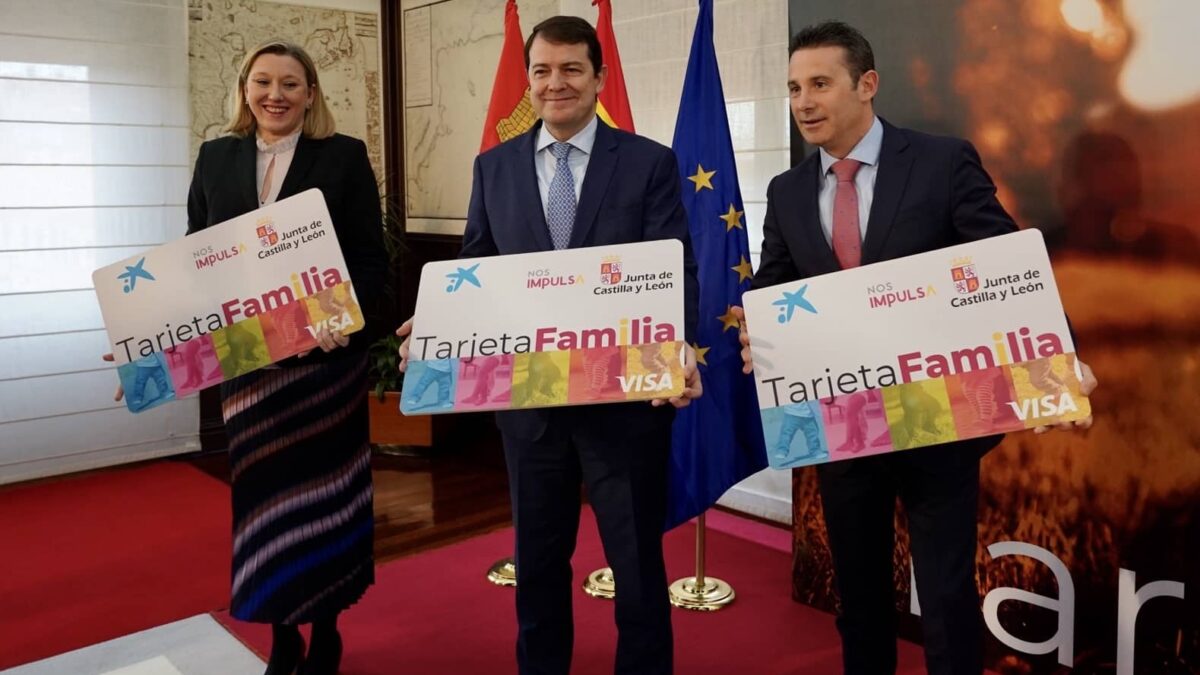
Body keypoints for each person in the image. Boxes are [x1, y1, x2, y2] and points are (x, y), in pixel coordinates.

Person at [734, 21, 1098, 675]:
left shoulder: (941, 161)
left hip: (940, 417)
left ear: (867, 84)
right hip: (844, 424)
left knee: (947, 596)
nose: (804, 102)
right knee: (862, 597)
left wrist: (1059, 357)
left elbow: (1007, 266)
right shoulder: (787, 191)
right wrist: (758, 334)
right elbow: (776, 283)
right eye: (793, 88)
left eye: (820, 84)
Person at [397, 16, 701, 675]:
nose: (554, 82)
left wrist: (681, 348)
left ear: (599, 78)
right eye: (541, 70)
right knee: (536, 564)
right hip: (530, 409)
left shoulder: (648, 161)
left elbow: (674, 268)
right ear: (528, 80)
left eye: (570, 69)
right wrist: (436, 324)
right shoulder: (493, 167)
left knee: (637, 566)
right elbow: (475, 268)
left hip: (624, 406)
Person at [183, 40, 386, 675]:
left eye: (291, 84)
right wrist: (157, 343)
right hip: (251, 375)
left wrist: (342, 322)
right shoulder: (215, 158)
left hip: (325, 370)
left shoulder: (344, 157)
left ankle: (326, 629)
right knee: (265, 510)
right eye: (263, 81)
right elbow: (195, 261)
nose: (276, 94)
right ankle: (281, 637)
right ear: (244, 88)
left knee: (326, 503)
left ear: (311, 93)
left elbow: (370, 264)